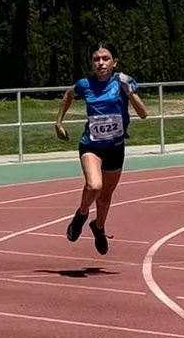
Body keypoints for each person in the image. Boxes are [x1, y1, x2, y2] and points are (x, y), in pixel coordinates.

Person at [54, 41, 150, 256]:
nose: (100, 63)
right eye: (96, 59)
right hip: (91, 145)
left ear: (114, 62)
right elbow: (68, 96)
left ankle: (98, 227)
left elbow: (144, 114)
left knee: (106, 196)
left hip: (115, 148)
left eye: (105, 59)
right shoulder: (84, 85)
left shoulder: (123, 83)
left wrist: (130, 92)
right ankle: (81, 215)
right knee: (94, 185)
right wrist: (58, 123)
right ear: (91, 64)